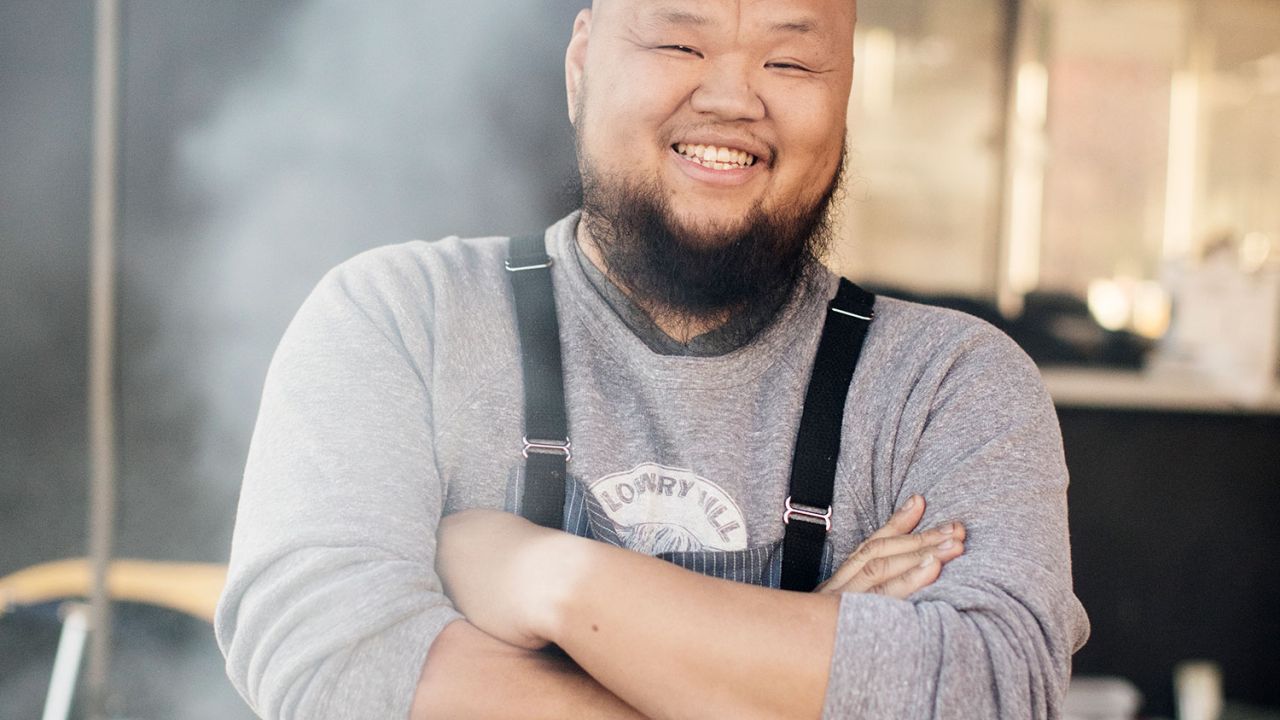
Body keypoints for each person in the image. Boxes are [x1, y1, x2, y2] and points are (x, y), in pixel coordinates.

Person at [215, 0, 1090, 718]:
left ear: (847, 91)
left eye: (790, 61)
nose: (732, 98)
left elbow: (992, 691)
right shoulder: (404, 318)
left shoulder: (947, 384)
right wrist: (791, 674)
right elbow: (332, 663)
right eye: (679, 43)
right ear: (581, 65)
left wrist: (552, 577)